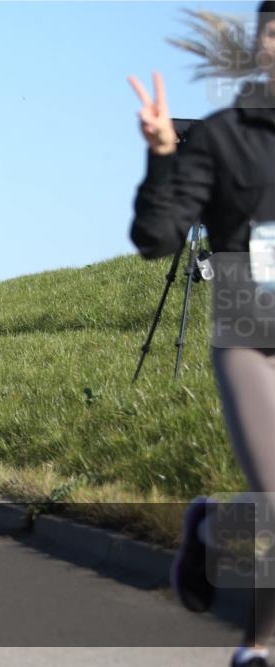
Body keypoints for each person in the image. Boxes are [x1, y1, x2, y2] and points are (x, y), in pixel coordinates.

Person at [129, 5, 274, 666]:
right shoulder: (224, 137)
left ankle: (214, 529)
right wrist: (163, 155)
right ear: (258, 46)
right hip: (249, 329)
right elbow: (157, 238)